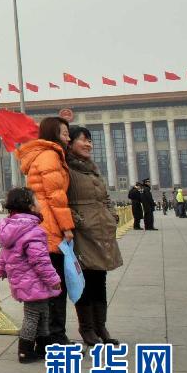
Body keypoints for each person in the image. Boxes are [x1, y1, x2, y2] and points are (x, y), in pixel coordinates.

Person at [16, 116, 74, 345]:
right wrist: (67, 228)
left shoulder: (43, 155)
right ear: (53, 134)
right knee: (56, 286)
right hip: (50, 228)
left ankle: (45, 339)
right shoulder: (50, 155)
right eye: (64, 133)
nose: (68, 138)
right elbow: (56, 197)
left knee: (47, 287)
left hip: (42, 226)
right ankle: (56, 338)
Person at [66, 126, 124, 346]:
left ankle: (101, 326)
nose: (88, 144)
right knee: (85, 280)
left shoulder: (92, 169)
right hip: (82, 233)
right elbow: (59, 200)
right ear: (70, 143)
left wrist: (112, 215)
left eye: (90, 140)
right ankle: (87, 328)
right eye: (83, 140)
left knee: (100, 279)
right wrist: (77, 220)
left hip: (101, 229)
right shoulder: (66, 169)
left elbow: (105, 197)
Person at [0, 188, 62, 363]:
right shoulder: (33, 231)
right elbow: (40, 261)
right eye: (36, 200)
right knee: (33, 316)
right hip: (34, 281)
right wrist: (54, 280)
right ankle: (25, 351)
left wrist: (0, 269)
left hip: (22, 280)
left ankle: (42, 347)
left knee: (42, 314)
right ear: (30, 206)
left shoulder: (10, 228)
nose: (40, 203)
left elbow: (5, 252)